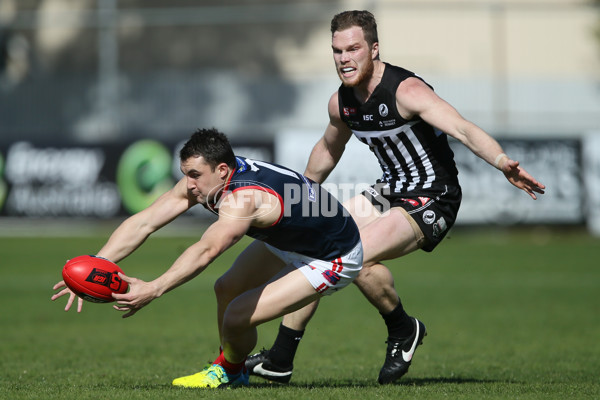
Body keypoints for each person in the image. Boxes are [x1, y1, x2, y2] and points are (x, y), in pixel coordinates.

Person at [243, 10, 546, 385]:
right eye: (337, 50)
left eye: (353, 48)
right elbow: (327, 149)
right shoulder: (342, 103)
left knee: (345, 254)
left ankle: (398, 330)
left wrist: (501, 161)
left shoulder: (407, 90)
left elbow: (463, 129)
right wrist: (302, 197)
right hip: (388, 190)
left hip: (434, 197)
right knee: (318, 243)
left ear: (374, 49)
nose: (344, 58)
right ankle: (283, 359)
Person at [51, 128, 363, 389]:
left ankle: (229, 368)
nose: (189, 183)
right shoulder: (209, 179)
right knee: (225, 289)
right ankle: (233, 370)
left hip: (331, 256)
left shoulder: (244, 199)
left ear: (223, 170)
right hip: (293, 239)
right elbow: (145, 221)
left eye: (195, 175)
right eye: (186, 174)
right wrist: (96, 265)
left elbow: (207, 249)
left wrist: (154, 288)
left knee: (236, 316)